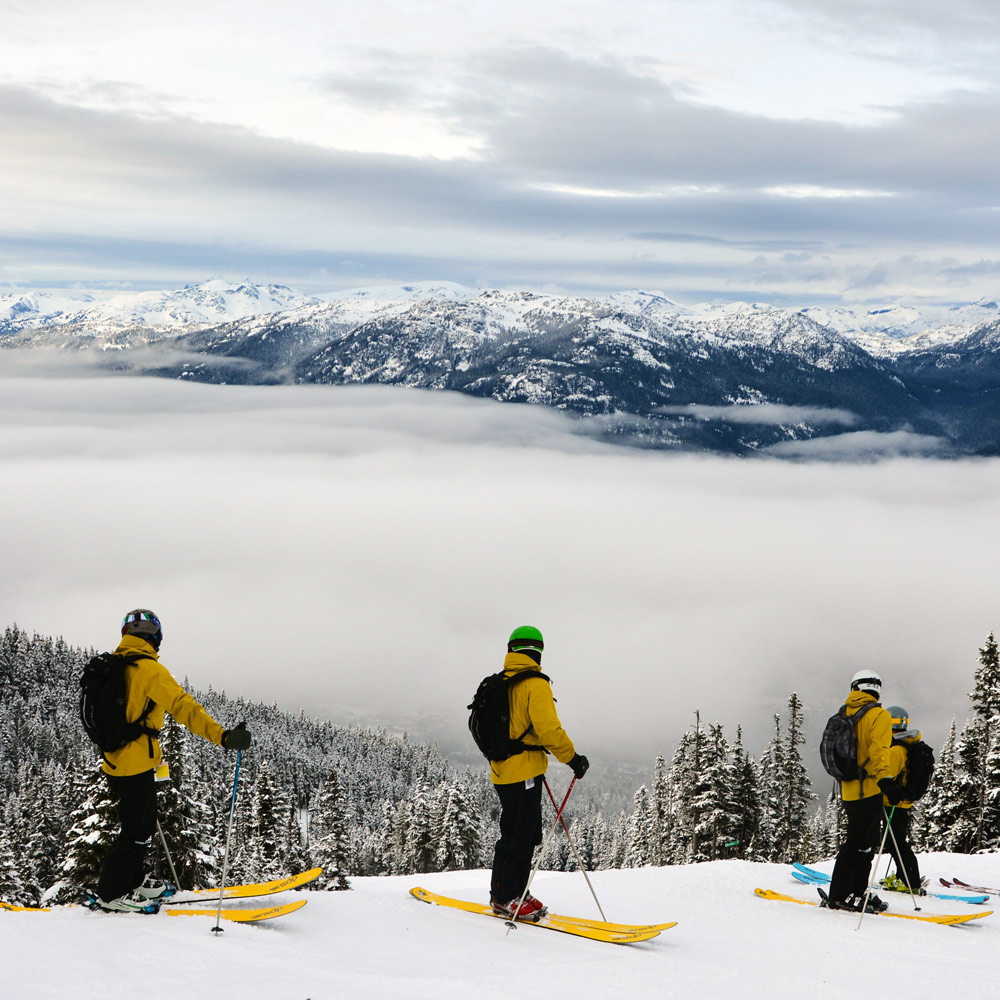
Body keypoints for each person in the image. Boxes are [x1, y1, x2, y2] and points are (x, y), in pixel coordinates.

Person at [93, 609, 252, 911]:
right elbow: (184, 708)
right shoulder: (150, 671)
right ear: (154, 638)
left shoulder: (114, 666)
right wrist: (223, 736)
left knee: (139, 822)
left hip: (115, 760)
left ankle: (132, 880)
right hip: (136, 761)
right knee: (136, 831)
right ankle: (111, 893)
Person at [488, 626, 589, 921]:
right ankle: (505, 897)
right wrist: (573, 759)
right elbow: (548, 730)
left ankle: (514, 891)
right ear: (537, 651)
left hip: (503, 769)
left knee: (522, 832)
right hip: (525, 773)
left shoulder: (502, 681)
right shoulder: (535, 683)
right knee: (518, 835)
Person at [824, 670, 905, 913]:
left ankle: (856, 893)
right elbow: (879, 752)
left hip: (848, 790)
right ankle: (839, 895)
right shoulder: (878, 715)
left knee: (863, 843)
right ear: (877, 689)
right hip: (869, 789)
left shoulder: (844, 713)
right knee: (860, 844)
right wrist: (887, 782)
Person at [881, 706, 931, 895]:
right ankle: (905, 877)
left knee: (896, 843)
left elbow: (886, 776)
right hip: (903, 802)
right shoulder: (910, 745)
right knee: (897, 841)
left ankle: (910, 881)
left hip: (892, 803)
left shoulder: (896, 750)